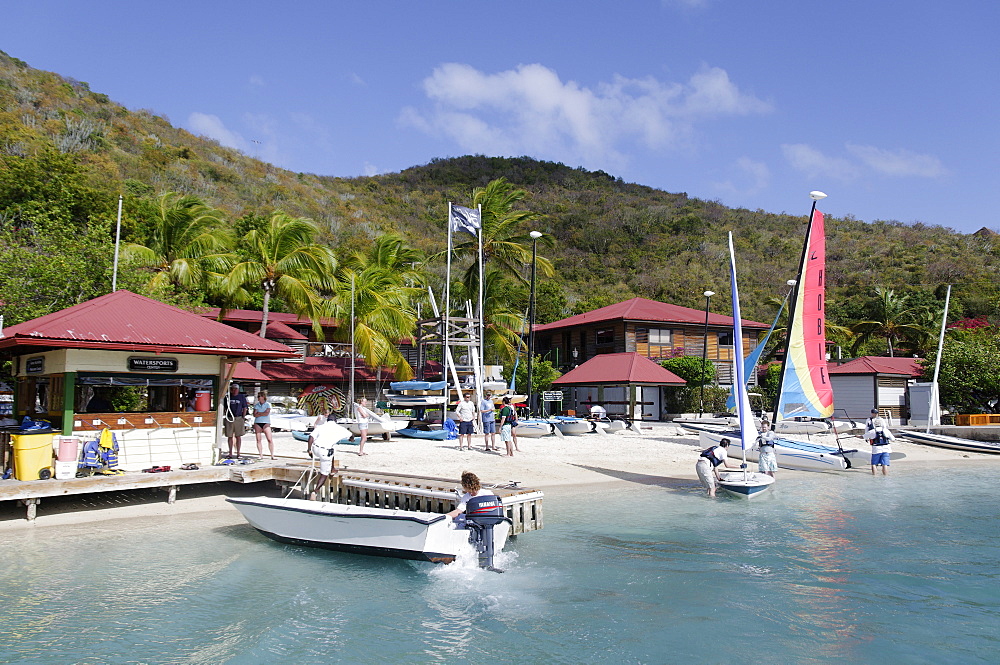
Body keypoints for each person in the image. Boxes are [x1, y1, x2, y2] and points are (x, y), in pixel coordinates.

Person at [308, 419, 341, 501]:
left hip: (316, 448)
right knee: (324, 474)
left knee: (332, 450)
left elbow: (311, 437)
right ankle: (315, 492)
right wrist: (351, 439)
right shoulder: (336, 428)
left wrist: (309, 450)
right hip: (324, 452)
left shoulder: (321, 427)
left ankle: (332, 468)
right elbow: (350, 435)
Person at [864, 409, 895, 476]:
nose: (875, 414)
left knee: (874, 464)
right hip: (884, 446)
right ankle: (884, 477)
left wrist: (865, 436)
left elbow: (884, 427)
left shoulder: (881, 420)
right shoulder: (869, 420)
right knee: (884, 464)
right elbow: (866, 428)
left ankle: (875, 477)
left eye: (876, 413)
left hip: (876, 444)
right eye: (874, 413)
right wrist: (866, 437)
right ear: (872, 413)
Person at [224, 384, 249, 459]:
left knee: (238, 436)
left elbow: (245, 407)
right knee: (230, 436)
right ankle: (230, 453)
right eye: (233, 389)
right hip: (229, 417)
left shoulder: (241, 397)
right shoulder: (228, 397)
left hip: (238, 417)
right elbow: (225, 407)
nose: (234, 390)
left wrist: (243, 417)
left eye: (235, 389)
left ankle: (238, 453)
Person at [253, 390, 276, 460]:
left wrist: (259, 413)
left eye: (260, 396)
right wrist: (261, 413)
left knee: (269, 439)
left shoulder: (268, 404)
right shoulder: (257, 405)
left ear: (263, 397)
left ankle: (272, 455)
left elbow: (266, 413)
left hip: (266, 422)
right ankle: (260, 455)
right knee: (258, 439)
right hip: (258, 422)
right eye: (258, 396)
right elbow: (254, 414)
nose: (259, 398)